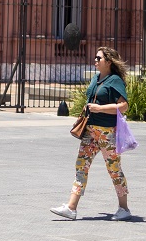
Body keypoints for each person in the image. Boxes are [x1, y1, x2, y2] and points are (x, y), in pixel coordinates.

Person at [51, 46, 132, 221]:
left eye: (99, 58)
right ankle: (71, 208)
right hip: (90, 131)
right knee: (81, 166)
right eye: (95, 58)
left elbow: (124, 106)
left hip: (107, 132)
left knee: (114, 169)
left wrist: (99, 108)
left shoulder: (115, 80)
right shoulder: (96, 78)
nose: (95, 61)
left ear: (108, 62)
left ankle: (124, 208)